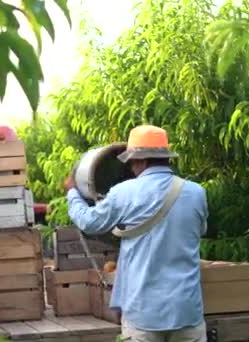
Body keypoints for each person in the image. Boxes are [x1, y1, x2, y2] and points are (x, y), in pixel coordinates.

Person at [64, 125, 208, 342]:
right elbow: (199, 231)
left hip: (143, 313)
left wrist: (72, 193)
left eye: (132, 162)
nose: (131, 169)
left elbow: (89, 222)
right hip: (187, 310)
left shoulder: (124, 192)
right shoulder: (197, 192)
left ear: (140, 161)